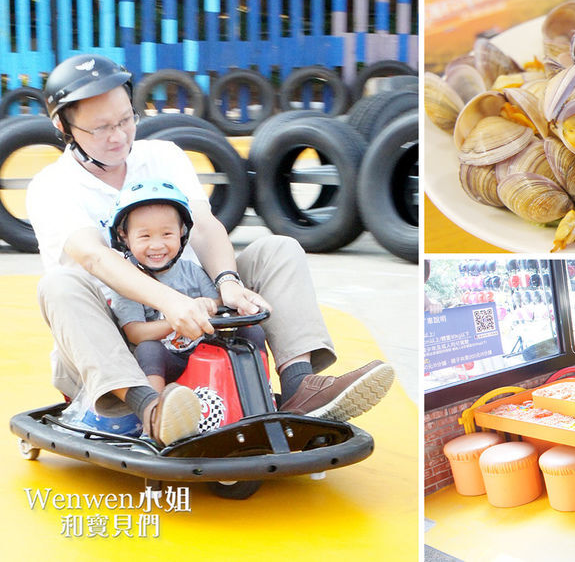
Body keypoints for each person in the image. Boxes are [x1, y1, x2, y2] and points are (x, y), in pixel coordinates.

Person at [26, 54, 393, 447]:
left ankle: (301, 388)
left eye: (125, 120)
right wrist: (170, 303)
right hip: (112, 339)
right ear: (63, 126)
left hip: (198, 317)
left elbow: (202, 224)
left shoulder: (162, 156)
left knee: (277, 249)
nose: (118, 137)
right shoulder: (52, 186)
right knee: (59, 285)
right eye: (100, 128)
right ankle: (151, 408)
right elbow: (95, 257)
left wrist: (228, 282)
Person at [106, 179, 267, 398]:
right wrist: (176, 318)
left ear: (182, 232)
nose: (157, 245)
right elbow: (135, 333)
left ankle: (259, 395)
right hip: (167, 360)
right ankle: (155, 414)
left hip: (204, 350)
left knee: (251, 330)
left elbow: (218, 304)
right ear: (124, 236)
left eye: (167, 234)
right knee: (148, 349)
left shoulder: (190, 271)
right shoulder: (128, 280)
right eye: (145, 236)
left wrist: (210, 304)